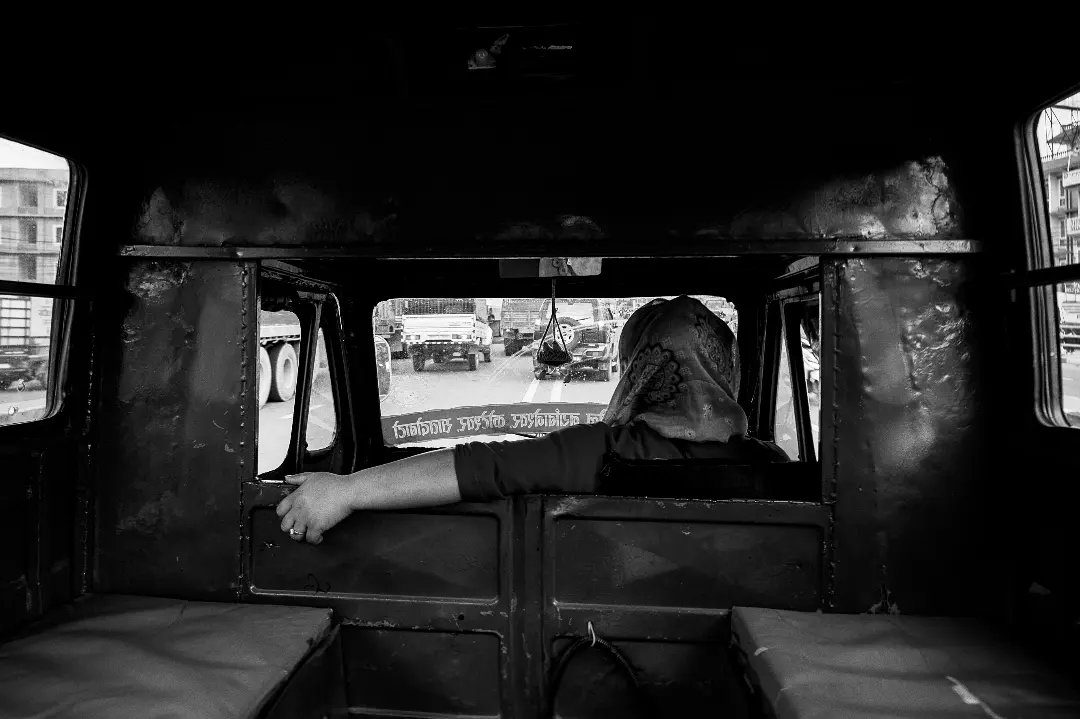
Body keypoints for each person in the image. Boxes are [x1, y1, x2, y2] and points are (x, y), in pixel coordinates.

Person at [276, 295, 789, 544]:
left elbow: (477, 467)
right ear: (726, 368)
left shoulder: (599, 452)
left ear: (639, 370)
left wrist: (343, 491)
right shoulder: (771, 463)